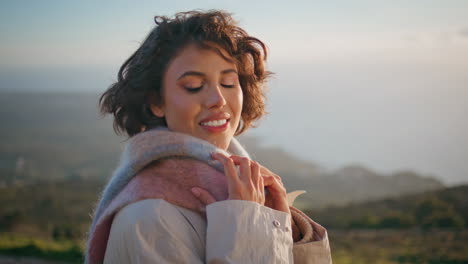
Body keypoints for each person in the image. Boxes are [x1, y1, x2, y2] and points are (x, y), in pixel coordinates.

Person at [86, 10, 332, 264]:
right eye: (193, 86)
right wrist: (246, 223)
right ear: (156, 101)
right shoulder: (150, 218)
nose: (218, 100)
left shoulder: (244, 186)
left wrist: (289, 228)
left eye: (228, 83)